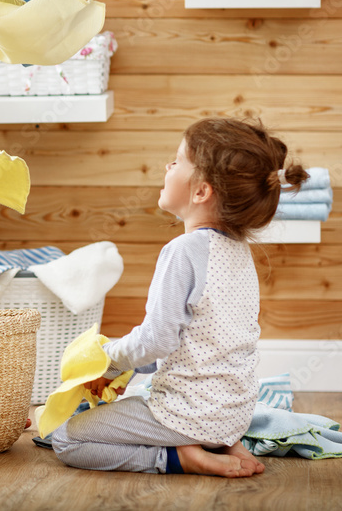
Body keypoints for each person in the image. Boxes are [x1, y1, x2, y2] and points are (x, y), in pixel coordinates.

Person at [49, 118, 308, 477]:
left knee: (66, 439)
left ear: (201, 191)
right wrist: (126, 368)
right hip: (235, 412)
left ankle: (180, 457)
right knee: (149, 387)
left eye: (177, 160)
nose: (168, 167)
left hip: (190, 413)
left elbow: (156, 341)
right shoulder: (238, 251)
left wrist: (106, 360)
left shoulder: (183, 251)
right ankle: (218, 441)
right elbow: (194, 342)